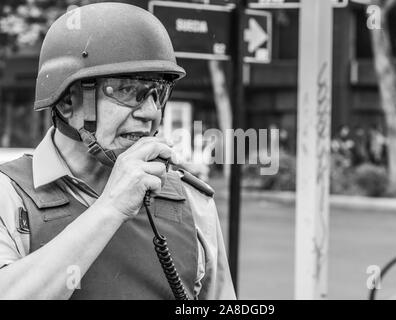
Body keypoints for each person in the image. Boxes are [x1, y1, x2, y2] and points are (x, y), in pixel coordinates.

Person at [0, 3, 235, 300]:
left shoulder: (191, 200)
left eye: (158, 93)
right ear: (67, 102)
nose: (151, 112)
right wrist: (111, 208)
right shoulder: (8, 196)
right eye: (127, 90)